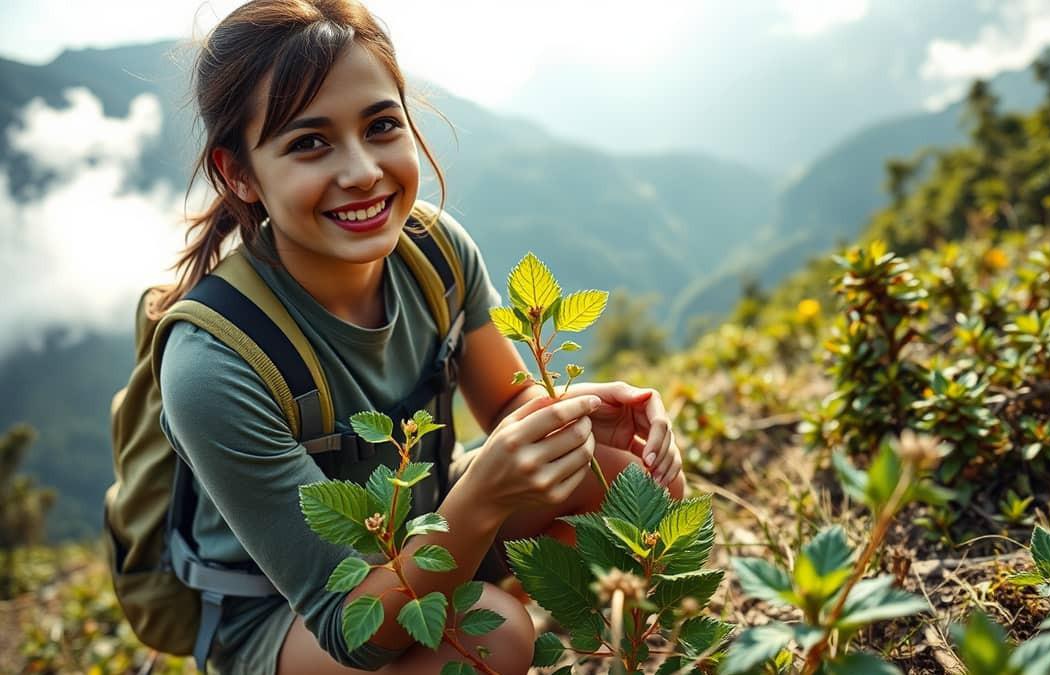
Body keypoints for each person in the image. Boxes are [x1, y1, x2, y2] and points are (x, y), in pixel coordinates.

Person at [153, 1, 687, 673]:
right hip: (286, 615)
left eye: (381, 126)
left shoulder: (433, 253)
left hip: (425, 521)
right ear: (239, 174)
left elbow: (506, 403)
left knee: (623, 480)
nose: (363, 172)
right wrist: (485, 493)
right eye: (309, 143)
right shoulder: (214, 364)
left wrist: (586, 418)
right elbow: (352, 627)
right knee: (495, 635)